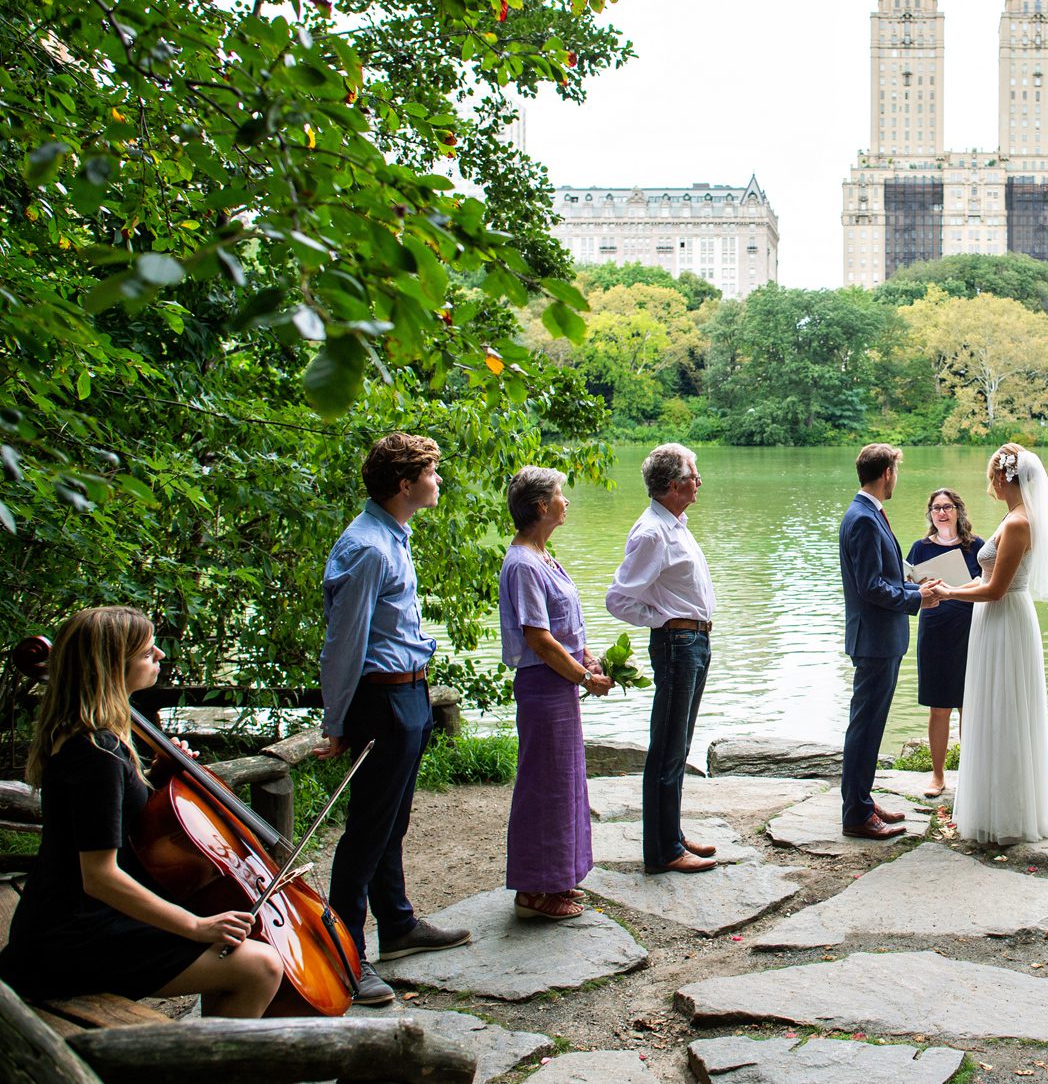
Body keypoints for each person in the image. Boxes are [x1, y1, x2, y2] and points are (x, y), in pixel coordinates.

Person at [0, 606, 283, 1016]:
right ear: (112, 667)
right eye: (148, 652)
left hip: (69, 921)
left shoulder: (90, 739)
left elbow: (112, 811)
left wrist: (156, 776)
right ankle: (217, 1064)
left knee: (241, 953)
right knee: (261, 967)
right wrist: (195, 925)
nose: (160, 656)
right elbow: (99, 877)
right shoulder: (95, 753)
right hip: (74, 937)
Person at [317, 432, 471, 1006]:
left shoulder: (392, 536)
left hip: (410, 694)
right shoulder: (368, 548)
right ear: (405, 485)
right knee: (365, 831)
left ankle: (398, 925)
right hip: (379, 701)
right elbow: (344, 642)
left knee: (392, 824)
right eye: (431, 474)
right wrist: (336, 723)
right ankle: (343, 957)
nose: (438, 482)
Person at [500, 467, 613, 919]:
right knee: (543, 785)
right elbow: (539, 638)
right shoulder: (523, 563)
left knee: (565, 783)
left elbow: (566, 628)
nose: (567, 502)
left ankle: (558, 879)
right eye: (561, 495)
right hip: (543, 685)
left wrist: (587, 658)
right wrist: (582, 678)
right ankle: (533, 891)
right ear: (542, 506)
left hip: (559, 683)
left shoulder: (545, 555)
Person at [939, 444, 1048, 846]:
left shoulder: (1018, 524)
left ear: (1002, 477)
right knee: (990, 709)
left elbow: (996, 590)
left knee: (1005, 710)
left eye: (989, 473)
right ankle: (990, 807)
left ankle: (1008, 815)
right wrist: (949, 588)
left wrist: (949, 595)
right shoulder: (1012, 518)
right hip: (995, 620)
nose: (987, 481)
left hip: (1006, 620)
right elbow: (987, 579)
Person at [604, 444, 719, 874]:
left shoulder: (673, 524)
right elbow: (618, 599)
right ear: (674, 485)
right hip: (678, 644)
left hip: (694, 643)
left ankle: (670, 833)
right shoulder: (653, 532)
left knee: (679, 745)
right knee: (667, 748)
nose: (699, 482)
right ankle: (662, 850)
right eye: (694, 476)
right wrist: (664, 620)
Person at [838, 443, 942, 839]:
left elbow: (883, 575)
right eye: (896, 471)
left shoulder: (868, 513)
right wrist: (919, 598)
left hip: (881, 637)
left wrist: (915, 583)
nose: (896, 478)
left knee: (871, 724)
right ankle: (856, 815)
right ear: (885, 474)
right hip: (875, 640)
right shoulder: (863, 518)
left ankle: (861, 800)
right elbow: (870, 587)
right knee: (864, 727)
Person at [908, 488, 985, 799]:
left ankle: (969, 776)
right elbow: (909, 582)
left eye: (948, 507)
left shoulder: (975, 545)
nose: (942, 513)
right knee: (938, 707)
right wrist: (920, 587)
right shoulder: (920, 547)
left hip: (969, 627)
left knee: (969, 706)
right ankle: (938, 776)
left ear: (958, 511)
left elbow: (984, 581)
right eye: (936, 508)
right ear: (930, 514)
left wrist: (950, 588)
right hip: (934, 630)